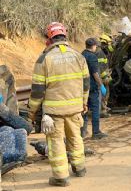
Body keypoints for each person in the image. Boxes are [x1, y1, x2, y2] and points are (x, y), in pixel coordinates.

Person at [28, 22, 89, 186]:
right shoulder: (79, 56)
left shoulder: (44, 59)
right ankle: (79, 167)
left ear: (49, 39)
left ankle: (61, 177)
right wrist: (84, 102)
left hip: (54, 112)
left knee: (55, 143)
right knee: (75, 138)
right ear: (65, 37)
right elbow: (86, 83)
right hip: (75, 109)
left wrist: (31, 112)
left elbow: (37, 91)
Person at [81, 38, 108, 140]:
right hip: (92, 87)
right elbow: (95, 73)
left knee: (84, 109)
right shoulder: (92, 57)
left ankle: (83, 132)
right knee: (95, 109)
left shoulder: (81, 55)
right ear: (93, 46)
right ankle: (96, 132)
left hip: (83, 87)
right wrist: (101, 85)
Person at [94, 43, 112, 118]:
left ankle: (103, 108)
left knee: (102, 94)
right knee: (104, 94)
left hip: (100, 77)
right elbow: (101, 67)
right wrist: (105, 77)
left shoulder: (96, 53)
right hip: (102, 77)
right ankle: (103, 110)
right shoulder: (99, 53)